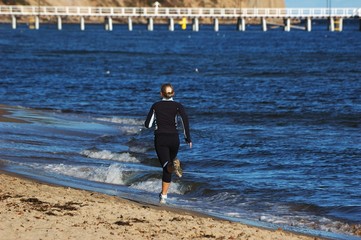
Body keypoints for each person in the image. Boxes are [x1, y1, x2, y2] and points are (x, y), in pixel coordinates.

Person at [144, 83, 192, 204]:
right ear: (173, 93)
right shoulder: (178, 106)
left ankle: (164, 196)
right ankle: (163, 196)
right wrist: (188, 138)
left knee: (166, 166)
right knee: (168, 166)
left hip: (161, 139)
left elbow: (147, 125)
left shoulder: (156, 106)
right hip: (174, 139)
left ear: (161, 94)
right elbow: (184, 120)